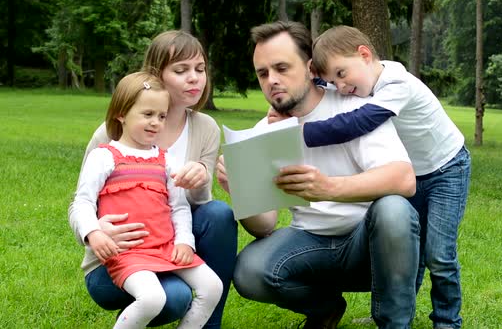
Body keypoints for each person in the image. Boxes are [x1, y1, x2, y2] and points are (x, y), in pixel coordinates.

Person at [217, 21, 421, 329]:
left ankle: (394, 324)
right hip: (310, 244)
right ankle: (325, 309)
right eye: (263, 73)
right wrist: (241, 190)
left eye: (282, 68)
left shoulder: (356, 108)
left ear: (311, 68)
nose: (272, 80)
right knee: (250, 270)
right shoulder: (264, 131)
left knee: (394, 210)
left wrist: (327, 188)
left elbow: (403, 179)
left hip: (370, 247)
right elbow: (264, 226)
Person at [293, 25, 471, 329]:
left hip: (446, 170)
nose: (340, 85)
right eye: (332, 79)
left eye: (341, 74)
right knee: (410, 252)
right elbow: (321, 86)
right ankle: (397, 314)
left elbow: (356, 123)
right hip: (412, 175)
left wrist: (299, 134)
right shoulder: (359, 82)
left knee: (439, 256)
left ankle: (447, 321)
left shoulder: (396, 82)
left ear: (364, 54)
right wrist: (309, 79)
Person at [69, 31, 236, 328]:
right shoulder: (109, 138)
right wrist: (97, 231)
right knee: (169, 298)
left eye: (200, 69)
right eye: (181, 70)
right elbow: (81, 202)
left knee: (219, 214)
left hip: (167, 242)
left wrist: (199, 180)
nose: (194, 78)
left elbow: (189, 206)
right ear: (157, 75)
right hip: (119, 253)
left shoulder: (206, 128)